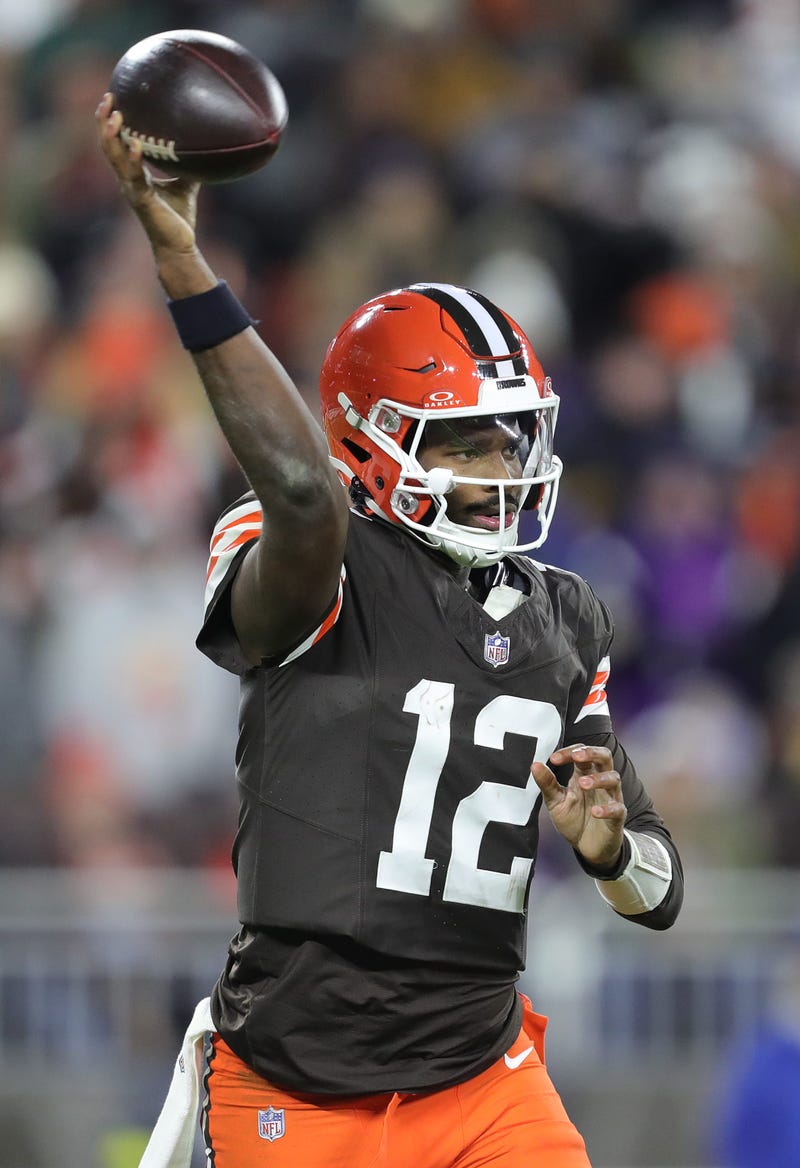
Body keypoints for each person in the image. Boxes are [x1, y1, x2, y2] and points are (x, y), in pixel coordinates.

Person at [96, 92, 684, 1168]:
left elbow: (659, 890)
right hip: (299, 1079)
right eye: (464, 443)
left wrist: (606, 852)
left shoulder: (564, 613)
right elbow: (301, 495)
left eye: (509, 441)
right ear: (368, 440)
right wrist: (183, 260)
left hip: (482, 1078)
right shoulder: (312, 553)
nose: (498, 471)